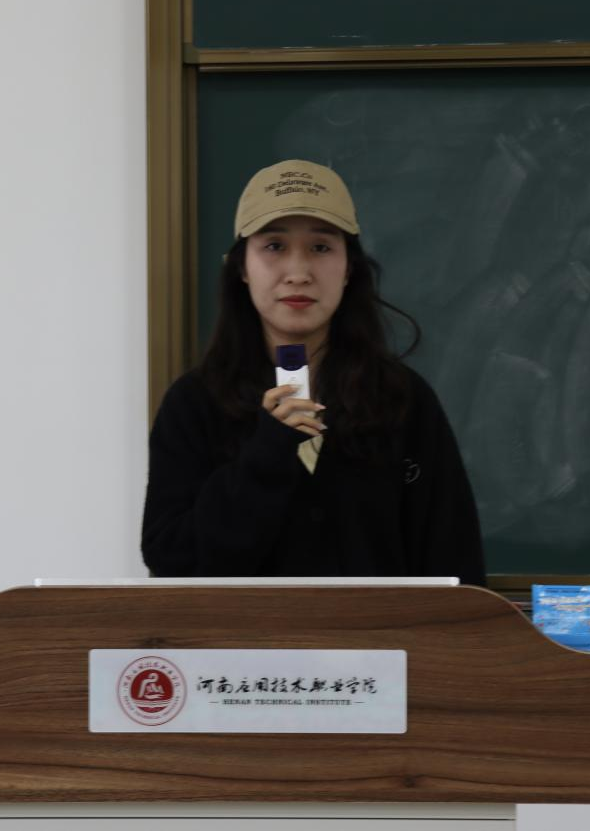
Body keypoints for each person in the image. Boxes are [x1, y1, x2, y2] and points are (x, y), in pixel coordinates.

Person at [141, 159, 486, 585]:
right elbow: (173, 562)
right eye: (274, 246)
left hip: (377, 631)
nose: (298, 273)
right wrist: (268, 453)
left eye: (321, 248)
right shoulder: (194, 403)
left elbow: (457, 569)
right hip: (241, 632)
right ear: (242, 268)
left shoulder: (403, 399)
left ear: (349, 269)